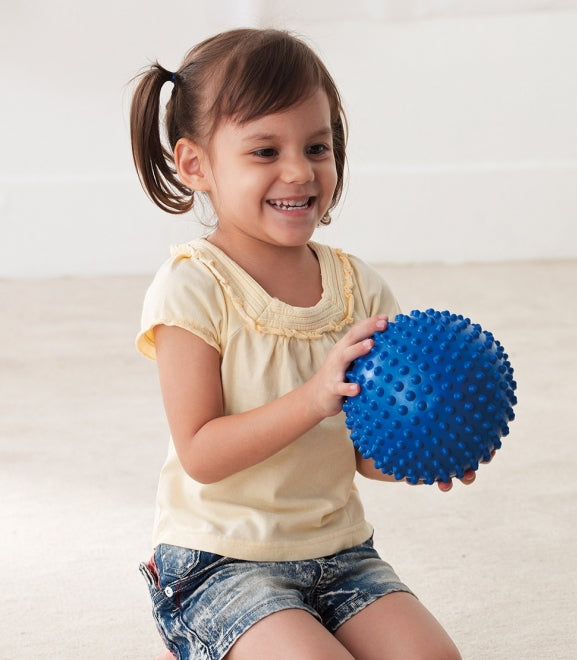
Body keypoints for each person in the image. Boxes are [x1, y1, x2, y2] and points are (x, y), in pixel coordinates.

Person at [130, 28, 478, 660]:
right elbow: (201, 452)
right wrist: (314, 397)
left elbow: (364, 453)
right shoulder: (193, 286)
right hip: (219, 561)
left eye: (317, 146)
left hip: (341, 553)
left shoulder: (358, 286)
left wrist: (429, 449)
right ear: (195, 165)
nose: (299, 171)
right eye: (265, 150)